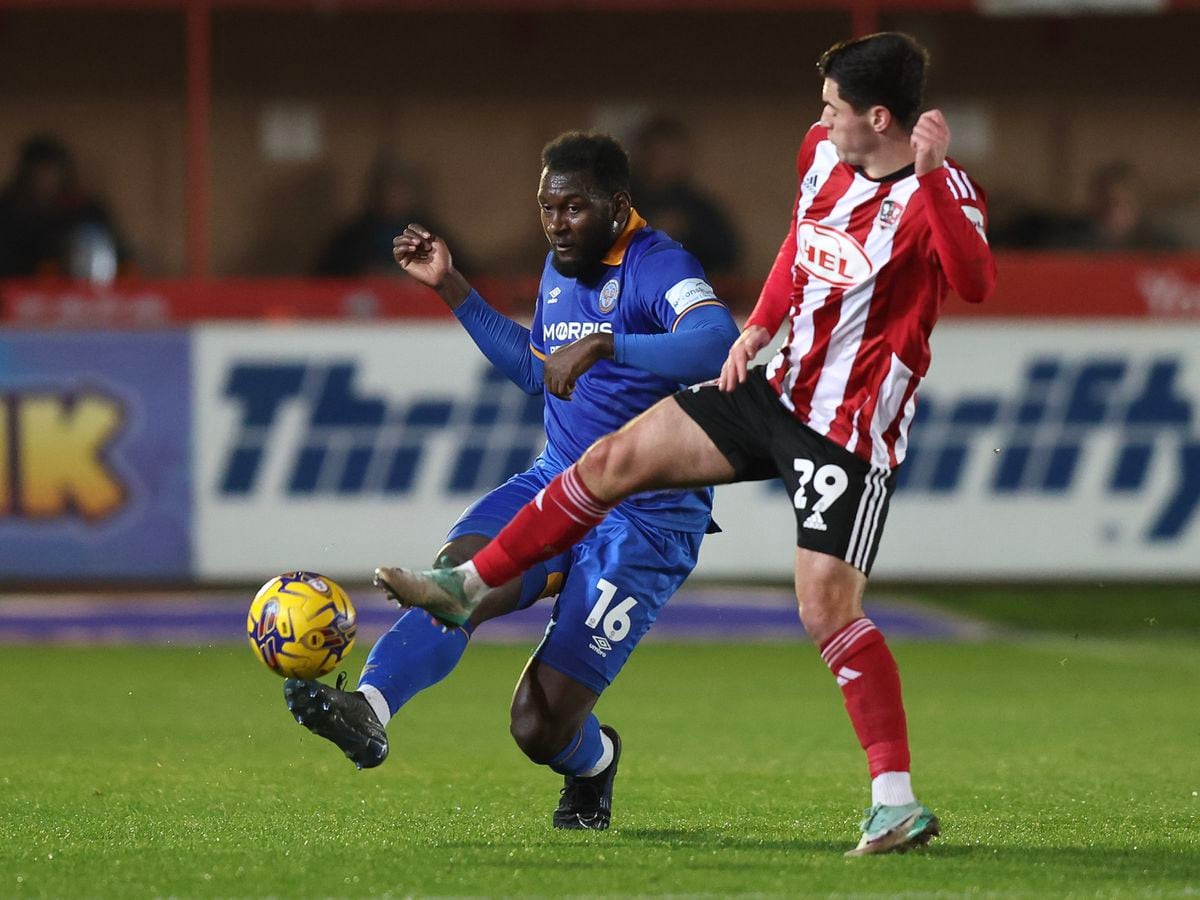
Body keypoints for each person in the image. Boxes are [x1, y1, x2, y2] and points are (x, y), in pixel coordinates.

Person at [376, 32, 997, 856]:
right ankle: (468, 585)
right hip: (770, 388)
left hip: (845, 428)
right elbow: (800, 242)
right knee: (611, 460)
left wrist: (930, 181)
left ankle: (893, 801)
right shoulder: (820, 152)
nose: (820, 118)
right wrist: (765, 323)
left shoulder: (939, 191)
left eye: (833, 107)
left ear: (878, 118)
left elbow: (978, 282)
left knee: (826, 608)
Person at [285, 131, 740, 830]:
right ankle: (369, 709)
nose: (557, 222)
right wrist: (453, 287)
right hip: (557, 480)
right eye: (547, 207)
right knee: (455, 575)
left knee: (539, 725)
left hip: (646, 518)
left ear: (618, 206)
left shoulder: (658, 264)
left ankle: (593, 764)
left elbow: (717, 341)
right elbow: (537, 369)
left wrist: (609, 342)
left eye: (574, 207)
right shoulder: (563, 264)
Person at [315, 153, 474, 276]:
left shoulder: (429, 233)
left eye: (401, 190)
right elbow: (325, 278)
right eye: (388, 190)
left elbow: (463, 276)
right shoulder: (353, 236)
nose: (394, 197)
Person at [0, 134, 132, 280]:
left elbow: (120, 255)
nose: (44, 180)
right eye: (37, 173)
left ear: (63, 174)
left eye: (50, 172)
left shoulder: (85, 211)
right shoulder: (7, 212)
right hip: (18, 291)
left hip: (81, 292)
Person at [629, 115, 741, 276]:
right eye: (657, 157)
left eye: (670, 158)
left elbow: (726, 258)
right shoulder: (624, 203)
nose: (664, 165)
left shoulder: (698, 208)